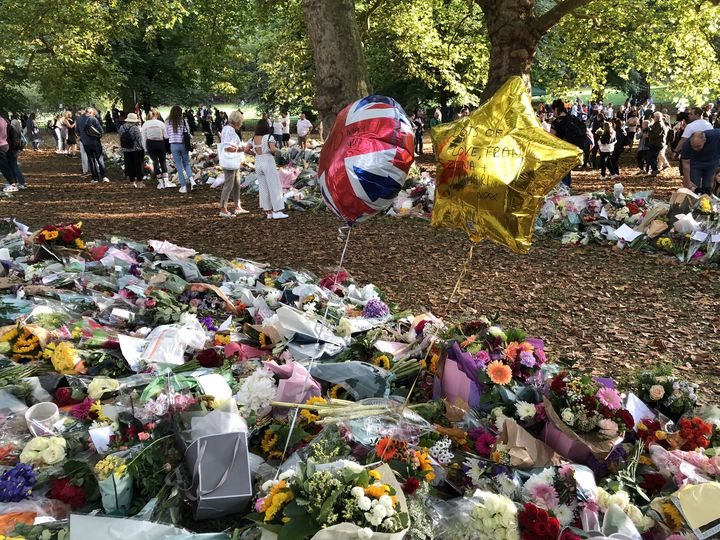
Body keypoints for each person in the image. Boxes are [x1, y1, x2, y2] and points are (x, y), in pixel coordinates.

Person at [245, 119, 287, 219]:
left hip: (258, 161)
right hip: (268, 160)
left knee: (263, 187)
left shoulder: (253, 138)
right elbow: (273, 149)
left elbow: (246, 149)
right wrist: (279, 151)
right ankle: (277, 211)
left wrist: (254, 153)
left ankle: (268, 212)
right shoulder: (269, 137)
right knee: (274, 186)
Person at [218, 110, 249, 218]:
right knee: (229, 184)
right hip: (230, 161)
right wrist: (241, 149)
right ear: (237, 121)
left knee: (236, 183)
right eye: (240, 122)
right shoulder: (230, 131)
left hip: (233, 161)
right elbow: (227, 147)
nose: (241, 125)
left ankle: (237, 206)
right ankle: (223, 208)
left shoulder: (227, 129)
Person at [550, 99, 587, 188]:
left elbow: (551, 138)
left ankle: (564, 193)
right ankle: (567, 189)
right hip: (573, 150)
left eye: (553, 110)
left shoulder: (557, 122)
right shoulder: (573, 118)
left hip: (561, 152)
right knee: (567, 172)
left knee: (562, 175)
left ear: (556, 109)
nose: (553, 113)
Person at [141, 109, 173, 190]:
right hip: (160, 143)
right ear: (157, 115)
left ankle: (160, 183)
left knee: (155, 162)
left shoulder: (145, 124)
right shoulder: (161, 123)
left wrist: (145, 148)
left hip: (150, 143)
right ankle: (166, 181)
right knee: (163, 161)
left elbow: (143, 137)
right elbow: (166, 136)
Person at [681, 129, 720, 194]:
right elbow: (686, 164)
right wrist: (687, 181)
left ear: (705, 140)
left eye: (698, 146)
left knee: (708, 186)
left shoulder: (716, 135)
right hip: (695, 163)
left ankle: (706, 201)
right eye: (693, 146)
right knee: (693, 185)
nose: (695, 149)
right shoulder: (687, 145)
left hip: (712, 161)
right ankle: (694, 200)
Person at [167, 105, 195, 193]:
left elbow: (166, 135)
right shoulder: (183, 121)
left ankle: (183, 186)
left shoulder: (168, 122)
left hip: (173, 146)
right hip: (183, 145)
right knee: (186, 163)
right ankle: (192, 180)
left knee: (179, 166)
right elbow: (188, 133)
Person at [79, 108, 109, 184]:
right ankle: (104, 176)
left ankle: (95, 178)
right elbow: (101, 131)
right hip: (95, 142)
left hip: (86, 143)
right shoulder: (93, 119)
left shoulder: (79, 120)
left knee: (91, 160)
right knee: (99, 159)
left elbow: (77, 132)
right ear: (91, 113)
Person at [118, 113, 145, 188]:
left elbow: (120, 138)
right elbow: (139, 139)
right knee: (138, 165)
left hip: (126, 149)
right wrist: (142, 148)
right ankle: (140, 182)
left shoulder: (121, 127)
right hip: (136, 149)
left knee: (129, 166)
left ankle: (132, 182)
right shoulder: (135, 128)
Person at [646, 111, 668, 177]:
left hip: (657, 144)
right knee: (653, 157)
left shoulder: (659, 124)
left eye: (654, 117)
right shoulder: (656, 124)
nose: (653, 118)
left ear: (657, 117)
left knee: (650, 157)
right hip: (654, 143)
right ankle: (654, 170)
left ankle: (655, 169)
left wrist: (649, 135)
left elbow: (656, 135)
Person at [0, 114, 18, 191]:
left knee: (4, 167)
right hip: (4, 144)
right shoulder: (3, 120)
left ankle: (12, 184)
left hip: (1, 145)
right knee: (5, 166)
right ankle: (12, 183)